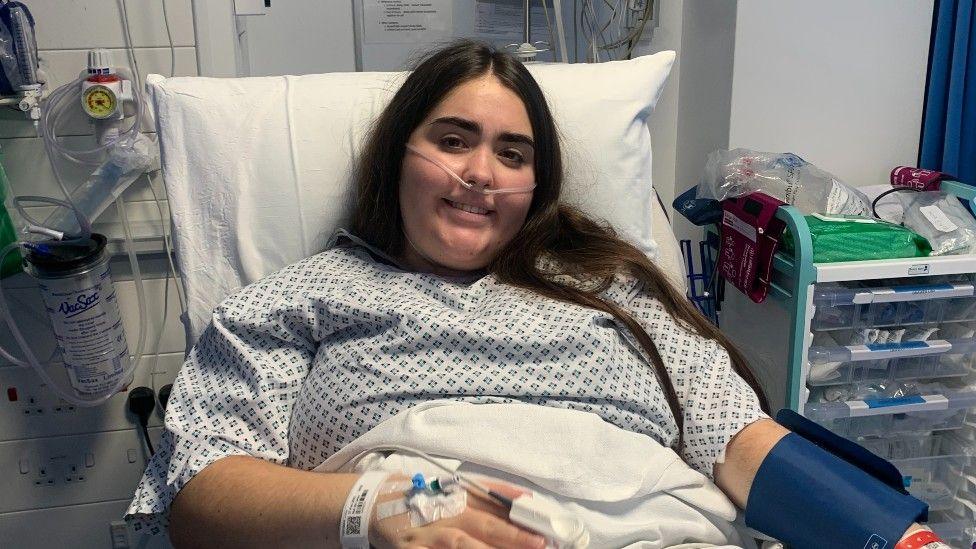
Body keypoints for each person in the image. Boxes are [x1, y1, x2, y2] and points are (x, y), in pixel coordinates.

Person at [127, 40, 928, 548]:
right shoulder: (298, 301)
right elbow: (200, 494)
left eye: (512, 153)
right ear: (395, 155)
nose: (480, 172)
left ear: (534, 185)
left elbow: (736, 438)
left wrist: (889, 534)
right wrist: (377, 504)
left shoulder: (611, 291)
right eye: (452, 140)